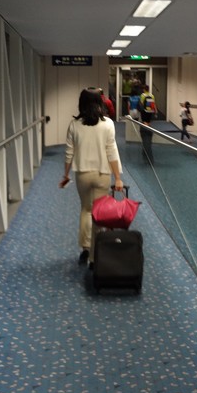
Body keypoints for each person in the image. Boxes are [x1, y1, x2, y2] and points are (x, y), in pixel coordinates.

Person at [59, 89, 123, 264]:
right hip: (102, 175)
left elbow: (69, 153)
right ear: (100, 103)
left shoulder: (74, 124)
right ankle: (95, 257)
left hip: (83, 175)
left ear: (81, 103)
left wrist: (66, 175)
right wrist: (117, 178)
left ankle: (86, 249)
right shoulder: (108, 124)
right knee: (98, 214)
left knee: (86, 210)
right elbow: (112, 151)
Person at [139, 84, 156, 162]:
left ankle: (144, 127)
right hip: (150, 111)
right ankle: (148, 125)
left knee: (144, 121)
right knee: (148, 121)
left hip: (145, 112)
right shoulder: (152, 95)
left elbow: (141, 104)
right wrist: (155, 111)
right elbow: (153, 104)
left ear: (144, 89)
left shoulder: (142, 95)